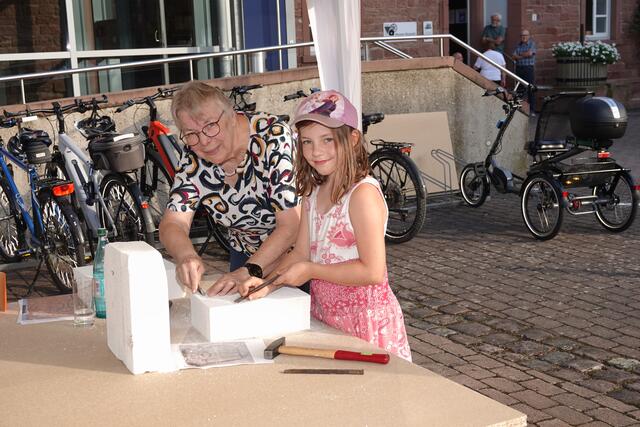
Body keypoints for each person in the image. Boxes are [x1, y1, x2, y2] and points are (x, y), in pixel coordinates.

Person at [238, 90, 412, 362]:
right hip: (327, 318)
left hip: (366, 324)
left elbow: (373, 271)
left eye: (327, 140)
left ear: (352, 139)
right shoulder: (313, 192)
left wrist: (311, 270)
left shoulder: (362, 195)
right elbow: (300, 253)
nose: (316, 151)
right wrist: (267, 283)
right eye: (307, 142)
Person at [159, 81, 300, 296]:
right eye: (191, 133)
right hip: (244, 254)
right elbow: (173, 222)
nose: (204, 141)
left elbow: (291, 224)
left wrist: (249, 270)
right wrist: (186, 256)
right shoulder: (193, 159)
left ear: (232, 116)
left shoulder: (272, 136)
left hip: (296, 255)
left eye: (210, 126)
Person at [513, 29, 537, 115]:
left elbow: (530, 53)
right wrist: (524, 55)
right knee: (519, 89)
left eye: (525, 35)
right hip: (519, 68)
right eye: (522, 35)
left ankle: (532, 110)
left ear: (528, 36)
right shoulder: (518, 45)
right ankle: (519, 109)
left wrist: (519, 55)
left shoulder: (532, 44)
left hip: (528, 69)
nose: (524, 37)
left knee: (530, 89)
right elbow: (514, 56)